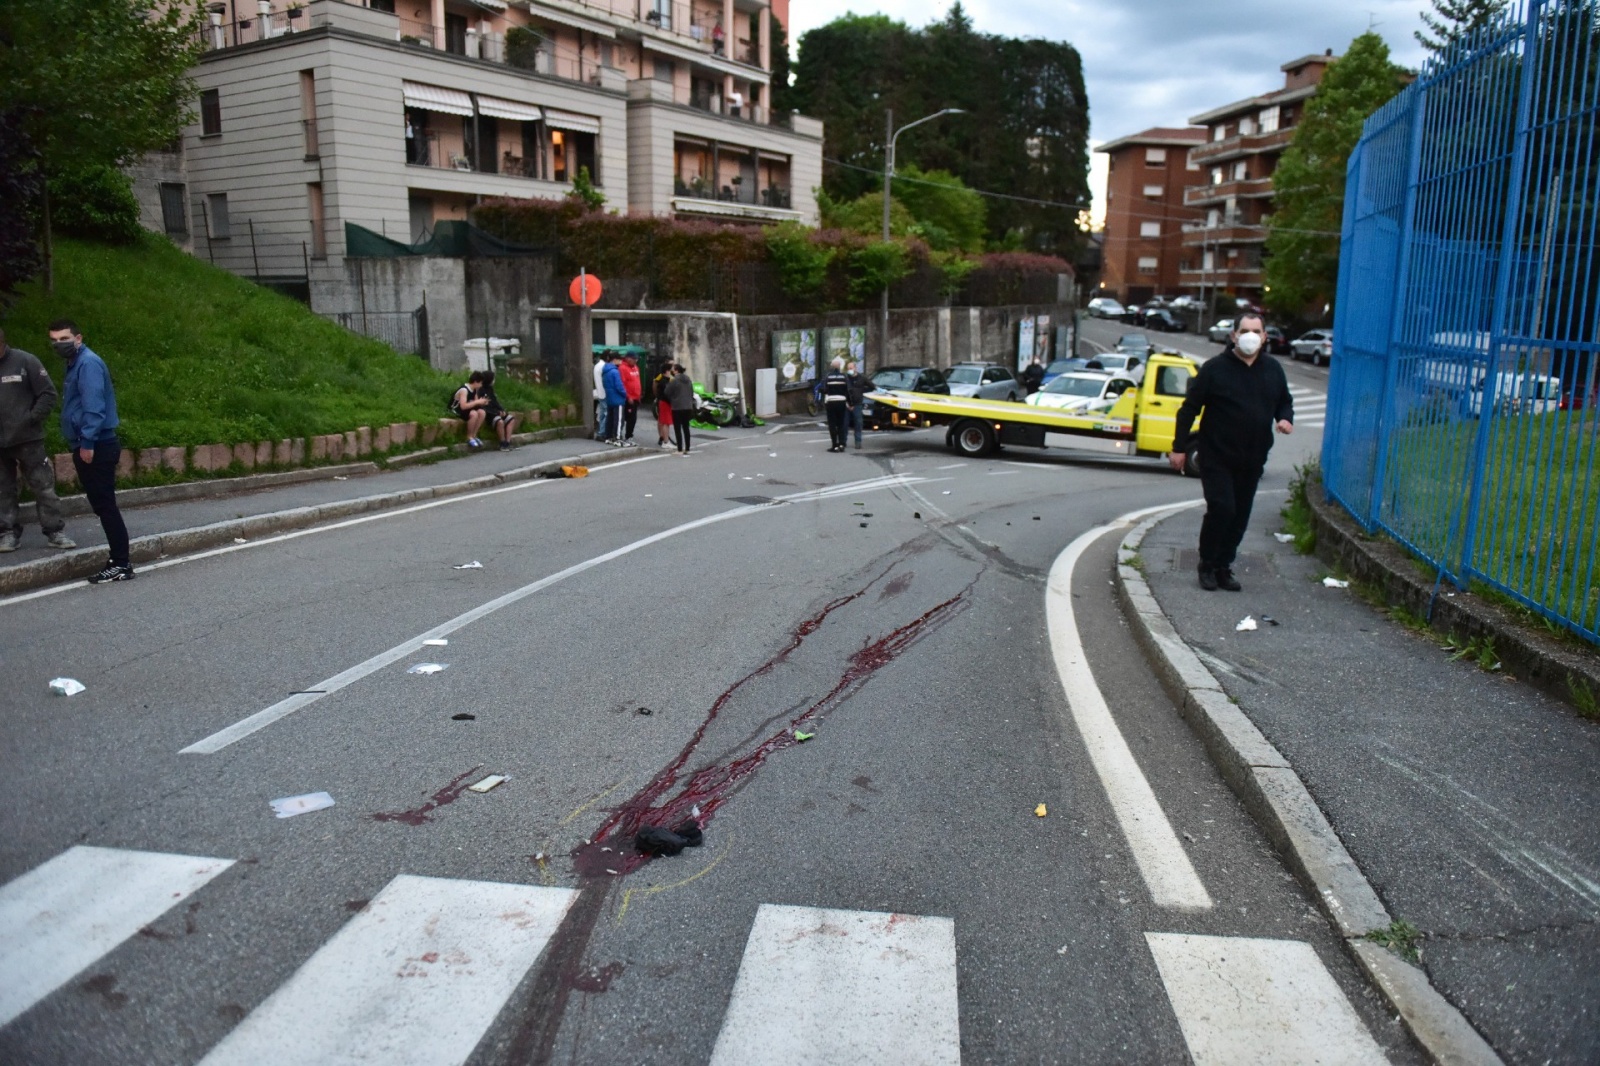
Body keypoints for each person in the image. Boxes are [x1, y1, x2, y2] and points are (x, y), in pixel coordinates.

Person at [1170, 313, 1294, 592]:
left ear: (1264, 336)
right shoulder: (1215, 369)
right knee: (1222, 508)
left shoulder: (1273, 370)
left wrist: (1285, 418)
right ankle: (1207, 564)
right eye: (1244, 330)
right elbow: (1189, 408)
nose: (1250, 336)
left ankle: (1224, 565)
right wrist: (1178, 448)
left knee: (1240, 514)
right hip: (1216, 455)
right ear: (1234, 336)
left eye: (1256, 331)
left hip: (1252, 457)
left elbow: (1284, 402)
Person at [49, 320, 131, 583]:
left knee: (106, 506)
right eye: (54, 340)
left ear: (78, 338)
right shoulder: (76, 363)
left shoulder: (88, 364)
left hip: (96, 445)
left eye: (64, 338)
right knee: (103, 505)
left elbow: (93, 406)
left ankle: (121, 563)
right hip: (92, 443)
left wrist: (87, 443)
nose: (58, 344)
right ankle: (119, 560)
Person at [0, 327, 76, 553]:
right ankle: (7, 533)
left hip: (28, 439)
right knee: (3, 489)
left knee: (43, 486)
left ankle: (55, 531)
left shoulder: (25, 361)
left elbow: (48, 394)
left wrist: (32, 419)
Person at [478, 369, 517, 451]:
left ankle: (507, 442)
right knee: (500, 422)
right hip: (489, 414)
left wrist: (502, 410)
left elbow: (495, 401)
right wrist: (496, 413)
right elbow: (484, 406)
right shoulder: (480, 390)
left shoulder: (490, 389)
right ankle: (502, 443)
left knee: (511, 419)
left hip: (496, 411)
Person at [450, 370, 490, 450]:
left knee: (482, 412)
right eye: (480, 383)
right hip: (457, 409)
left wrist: (482, 402)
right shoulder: (464, 390)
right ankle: (469, 436)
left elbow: (475, 402)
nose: (481, 385)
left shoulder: (474, 389)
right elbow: (463, 406)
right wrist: (477, 402)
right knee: (474, 414)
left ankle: (474, 435)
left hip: (468, 408)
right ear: (475, 382)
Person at [663, 363, 697, 454]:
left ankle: (679, 449)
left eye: (673, 369)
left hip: (677, 406)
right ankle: (688, 448)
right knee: (686, 428)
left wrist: (673, 399)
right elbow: (692, 392)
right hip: (688, 406)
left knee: (677, 428)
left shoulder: (674, 381)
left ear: (676, 370)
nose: (672, 371)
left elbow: (667, 392)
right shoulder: (688, 379)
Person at [820, 358, 850, 452]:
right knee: (841, 424)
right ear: (840, 367)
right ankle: (842, 444)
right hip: (842, 401)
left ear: (832, 367)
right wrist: (850, 402)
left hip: (831, 402)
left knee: (832, 424)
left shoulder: (828, 376)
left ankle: (835, 445)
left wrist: (821, 391)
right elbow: (848, 390)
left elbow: (825, 390)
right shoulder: (844, 376)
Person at [601, 351, 627, 445]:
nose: (621, 361)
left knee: (610, 418)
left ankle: (608, 436)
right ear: (615, 360)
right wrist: (625, 394)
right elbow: (619, 386)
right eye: (619, 359)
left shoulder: (605, 371)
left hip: (609, 397)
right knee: (619, 419)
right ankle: (617, 437)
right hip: (618, 398)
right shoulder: (615, 371)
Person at [844, 360, 868, 450]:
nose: (849, 370)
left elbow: (871, 385)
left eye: (851, 368)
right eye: (848, 368)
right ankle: (843, 441)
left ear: (855, 368)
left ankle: (858, 442)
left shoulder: (861, 378)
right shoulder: (845, 378)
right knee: (844, 424)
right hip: (846, 404)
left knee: (858, 423)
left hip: (857, 404)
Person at [619, 351, 642, 444]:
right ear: (628, 358)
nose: (635, 361)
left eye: (636, 359)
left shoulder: (636, 368)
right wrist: (628, 396)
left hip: (636, 397)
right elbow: (623, 384)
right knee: (628, 418)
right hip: (629, 398)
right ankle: (626, 436)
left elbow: (637, 381)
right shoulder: (623, 368)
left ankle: (629, 435)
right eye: (633, 359)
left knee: (633, 418)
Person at [652, 360, 675, 447]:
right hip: (664, 400)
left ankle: (665, 437)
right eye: (672, 365)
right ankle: (663, 438)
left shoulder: (671, 377)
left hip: (665, 400)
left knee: (664, 420)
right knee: (664, 421)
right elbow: (655, 384)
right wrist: (656, 395)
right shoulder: (661, 376)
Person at [592, 352, 609, 441]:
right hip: (604, 392)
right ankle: (602, 432)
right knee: (606, 413)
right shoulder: (604, 366)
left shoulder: (597, 366)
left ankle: (600, 432)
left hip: (599, 392)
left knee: (602, 413)